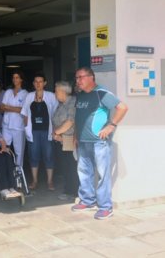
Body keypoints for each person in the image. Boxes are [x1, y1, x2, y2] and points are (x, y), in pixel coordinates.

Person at [72, 67, 128, 220]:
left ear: (91, 77)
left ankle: (105, 207)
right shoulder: (81, 95)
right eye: (76, 78)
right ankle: (87, 200)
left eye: (80, 77)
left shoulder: (101, 93)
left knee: (103, 175)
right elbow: (79, 117)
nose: (78, 81)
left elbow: (122, 108)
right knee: (84, 172)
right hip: (83, 141)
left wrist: (112, 125)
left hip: (99, 142)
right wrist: (76, 136)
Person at [21, 72, 58, 190]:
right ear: (33, 83)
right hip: (33, 131)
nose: (38, 84)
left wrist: (56, 130)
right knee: (33, 156)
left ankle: (50, 181)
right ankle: (34, 181)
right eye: (36, 81)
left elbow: (56, 112)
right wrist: (26, 127)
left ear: (45, 83)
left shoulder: (51, 96)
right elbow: (25, 114)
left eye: (40, 81)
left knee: (48, 156)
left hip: (47, 131)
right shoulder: (29, 96)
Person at [51, 81, 78, 201]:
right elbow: (56, 119)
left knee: (70, 165)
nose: (55, 93)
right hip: (60, 139)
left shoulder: (72, 102)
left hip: (69, 138)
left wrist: (57, 132)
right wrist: (55, 133)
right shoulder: (61, 104)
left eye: (56, 91)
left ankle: (73, 191)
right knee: (65, 166)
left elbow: (70, 121)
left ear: (63, 92)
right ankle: (68, 189)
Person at [1, 70, 28, 168]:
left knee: (19, 151)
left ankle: (19, 172)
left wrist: (8, 107)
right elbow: (2, 107)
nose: (15, 79)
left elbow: (22, 110)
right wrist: (14, 108)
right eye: (13, 77)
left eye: (17, 77)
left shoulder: (25, 94)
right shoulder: (8, 92)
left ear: (21, 79)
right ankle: (5, 168)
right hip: (6, 125)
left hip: (18, 126)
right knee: (5, 148)